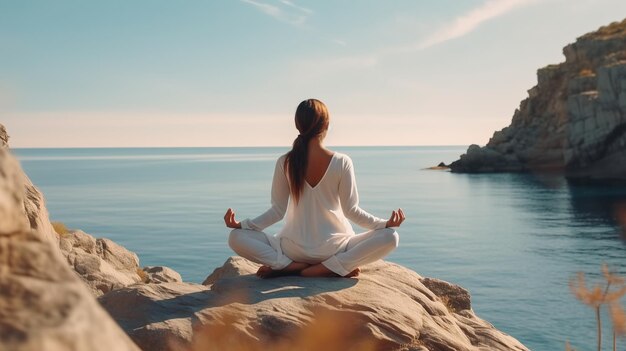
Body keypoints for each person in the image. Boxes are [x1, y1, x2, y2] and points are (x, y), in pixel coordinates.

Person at [223, 99, 404, 278]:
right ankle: (333, 266)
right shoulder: (342, 162)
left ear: (297, 126)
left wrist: (242, 226)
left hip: (292, 250)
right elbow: (352, 211)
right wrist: (384, 224)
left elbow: (277, 212)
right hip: (335, 248)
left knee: (236, 237)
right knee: (390, 237)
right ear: (326, 125)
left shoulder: (285, 162)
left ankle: (286, 266)